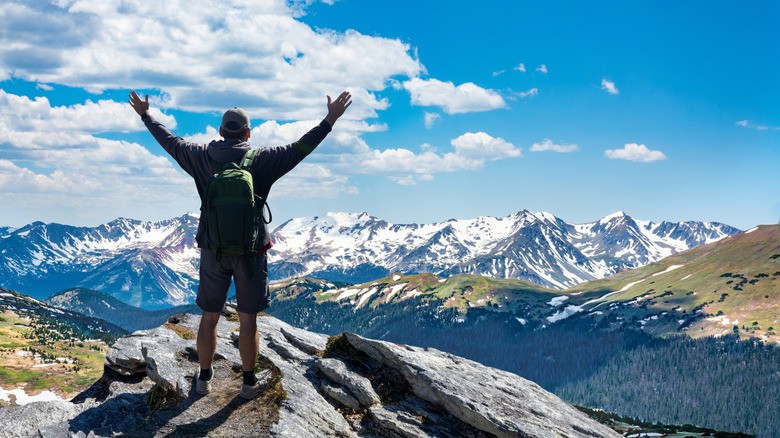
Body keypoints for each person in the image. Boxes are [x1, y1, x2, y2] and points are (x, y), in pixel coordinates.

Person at [128, 89, 351, 399]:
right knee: (248, 320)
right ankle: (248, 383)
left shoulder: (200, 156)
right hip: (251, 252)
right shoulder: (264, 159)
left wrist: (145, 115)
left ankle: (204, 379)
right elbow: (301, 147)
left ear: (221, 131)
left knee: (209, 317)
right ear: (248, 133)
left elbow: (170, 142)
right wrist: (330, 119)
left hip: (213, 251)